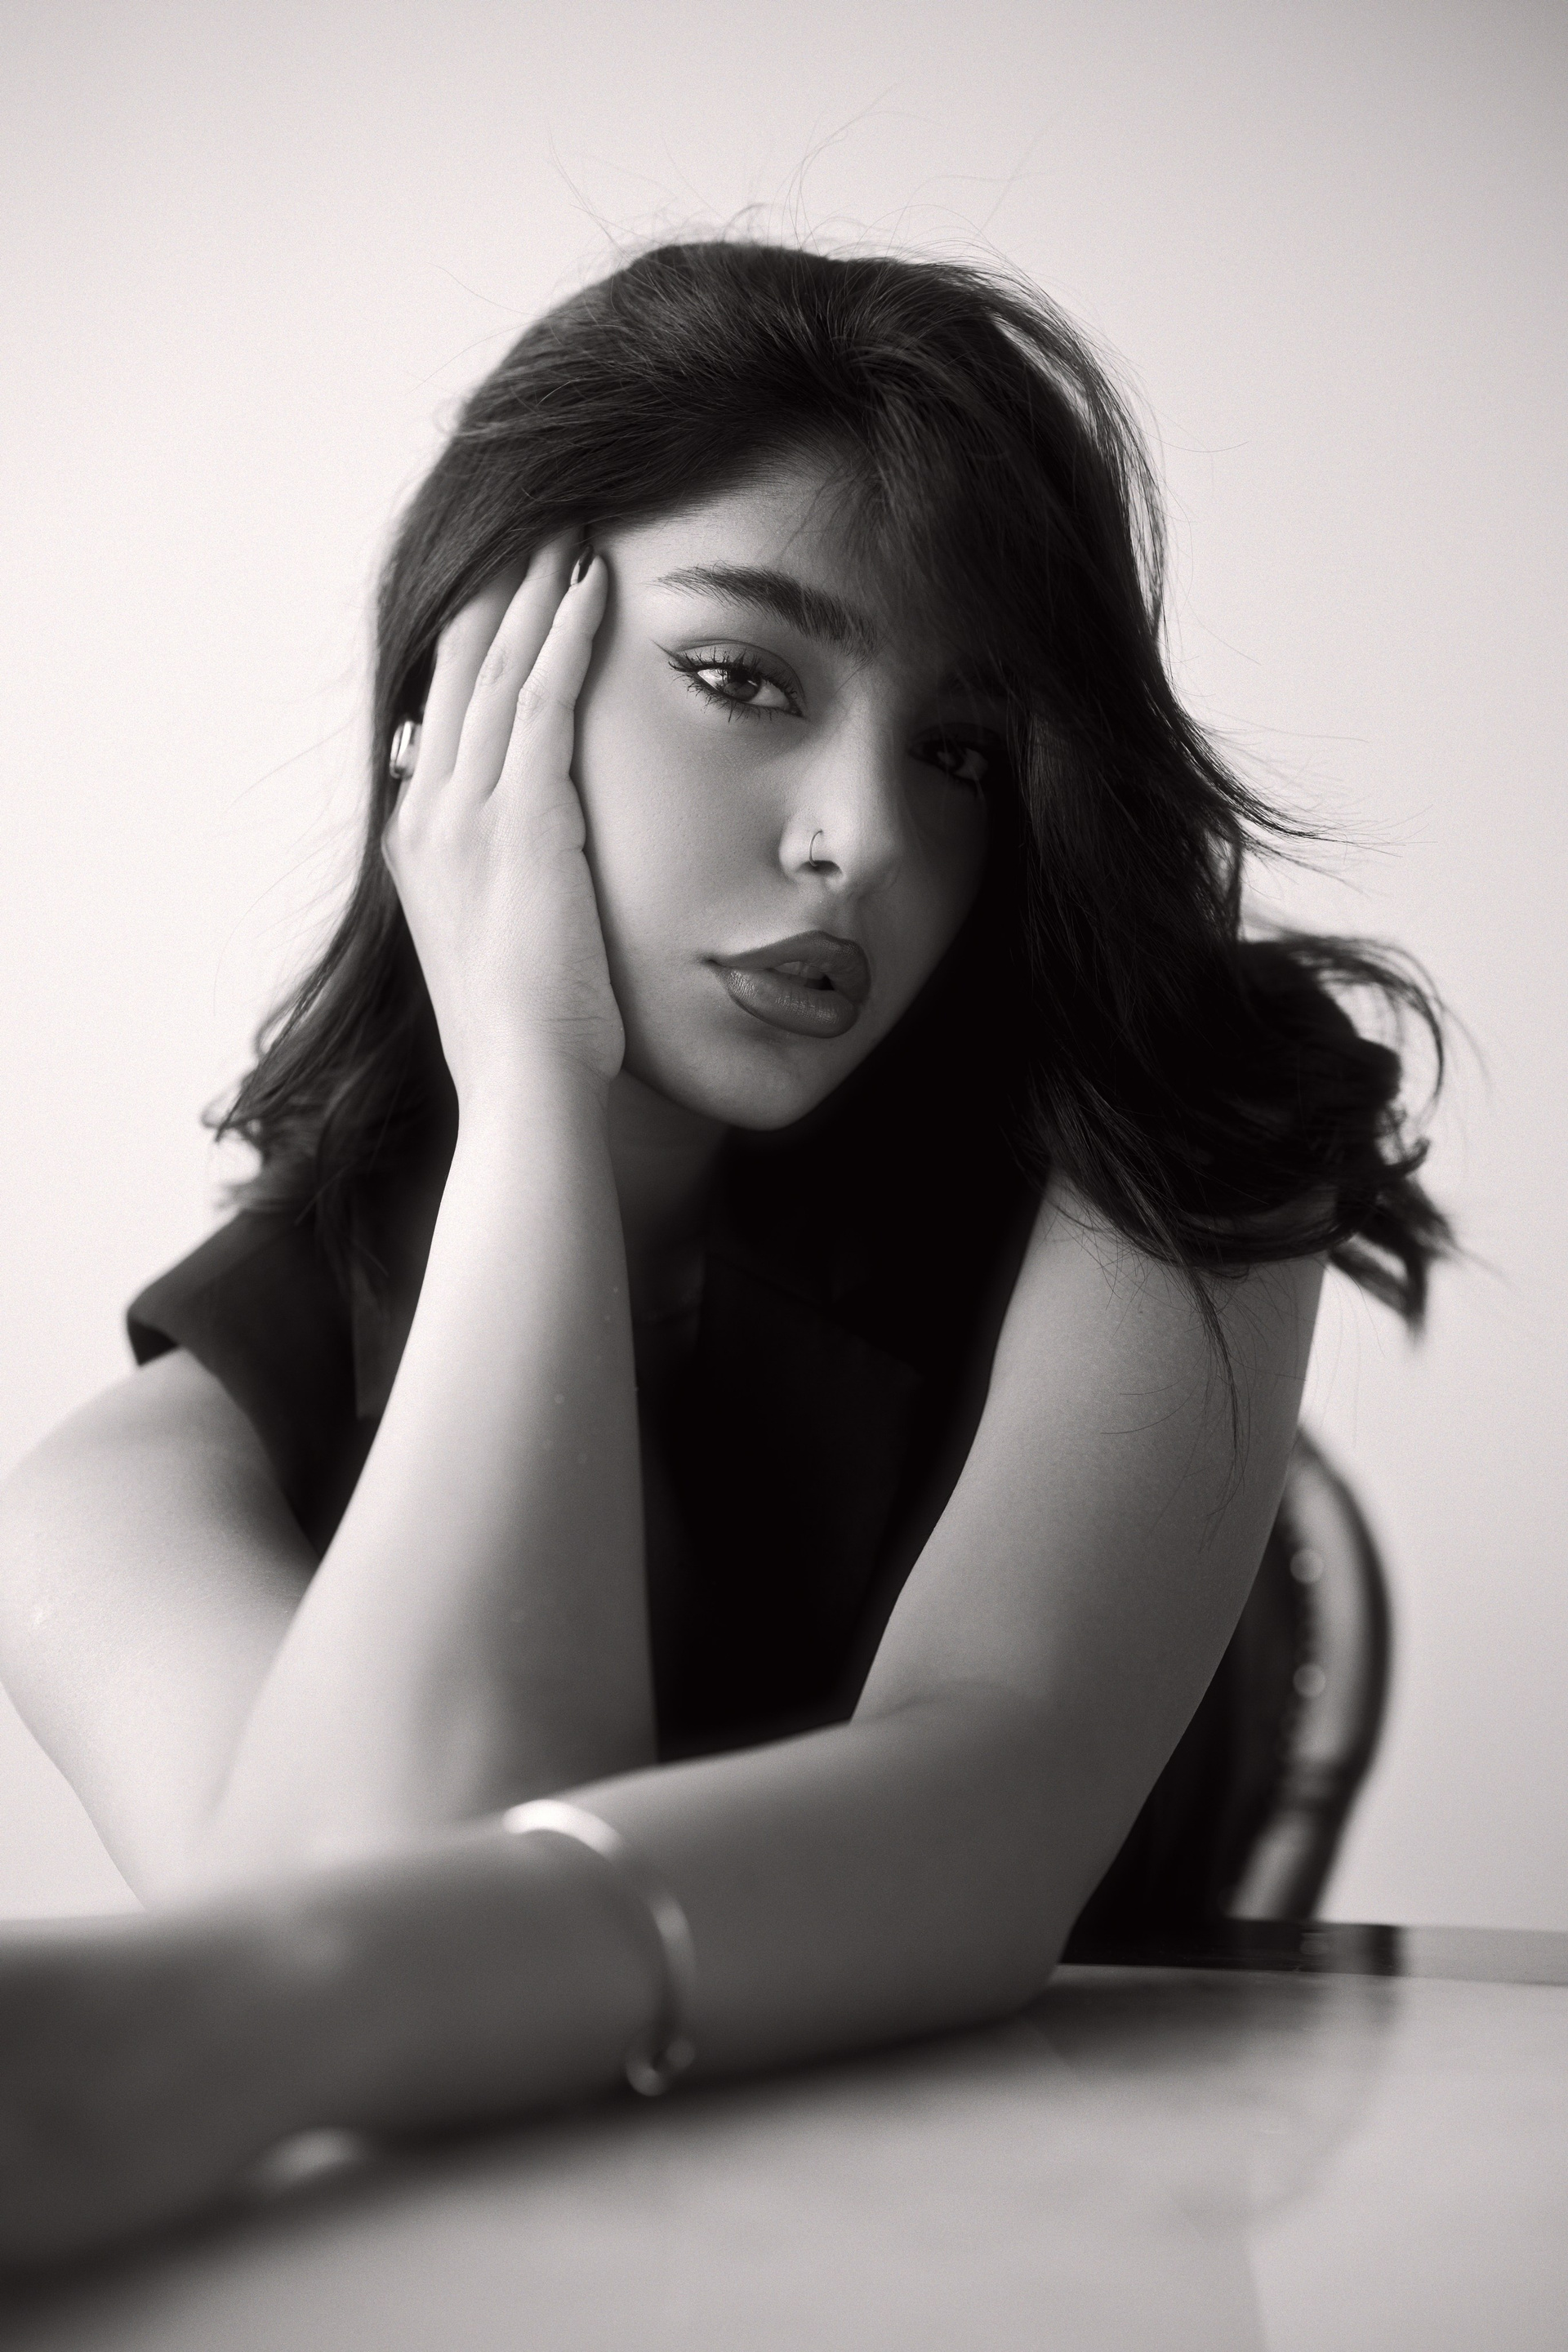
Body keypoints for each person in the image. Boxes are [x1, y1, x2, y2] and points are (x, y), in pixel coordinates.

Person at [0, 237, 1450, 2264]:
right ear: (473, 691)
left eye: (962, 751)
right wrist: (532, 1095)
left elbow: (994, 1795)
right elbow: (383, 1948)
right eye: (746, 679)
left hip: (1046, 2270)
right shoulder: (126, 1484)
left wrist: (332, 1989)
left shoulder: (1173, 1132)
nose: (865, 836)